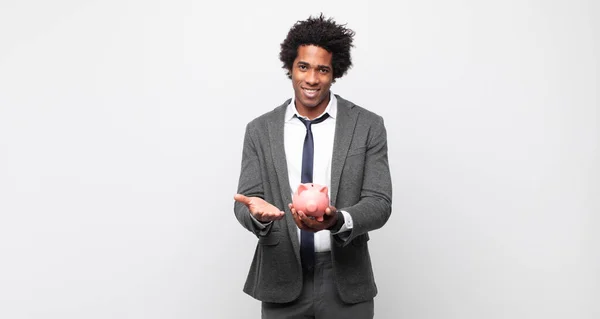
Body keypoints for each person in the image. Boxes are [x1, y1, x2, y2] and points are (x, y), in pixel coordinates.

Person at [233, 14, 392, 319]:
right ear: (290, 68)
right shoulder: (259, 129)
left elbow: (379, 202)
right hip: (281, 275)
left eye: (323, 69)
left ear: (335, 73)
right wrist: (257, 215)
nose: (311, 79)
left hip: (345, 278)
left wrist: (337, 220)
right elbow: (246, 200)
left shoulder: (367, 126)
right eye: (303, 67)